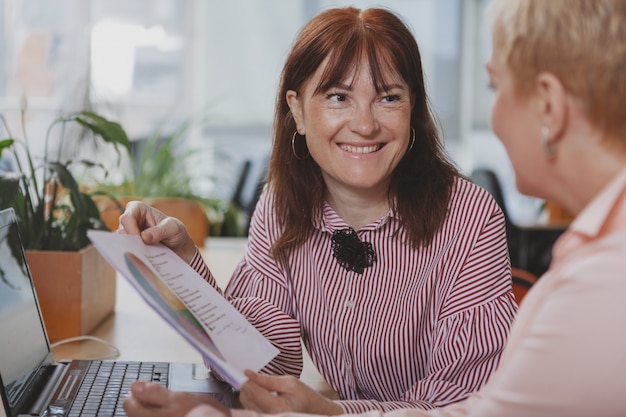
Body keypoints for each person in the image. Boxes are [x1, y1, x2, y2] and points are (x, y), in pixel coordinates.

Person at [124, 0, 626, 416]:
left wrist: (333, 414)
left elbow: (464, 404)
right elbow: (266, 369)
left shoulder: (476, 220)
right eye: (338, 97)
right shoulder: (283, 202)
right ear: (297, 110)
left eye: (388, 98)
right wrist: (185, 263)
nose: (364, 125)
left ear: (413, 112)